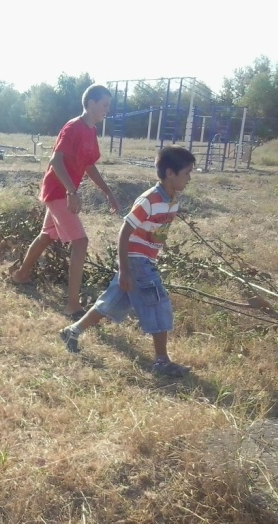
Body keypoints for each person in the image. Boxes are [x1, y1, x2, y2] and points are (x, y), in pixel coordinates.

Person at [59, 145, 196, 377]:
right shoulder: (149, 199)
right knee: (158, 303)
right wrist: (124, 269)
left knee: (110, 303)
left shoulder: (173, 200)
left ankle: (72, 330)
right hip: (136, 260)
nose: (189, 178)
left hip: (145, 260)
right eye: (186, 173)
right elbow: (125, 231)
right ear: (170, 173)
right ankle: (162, 361)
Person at [11, 84, 120, 320]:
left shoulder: (91, 131)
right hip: (57, 190)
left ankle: (21, 275)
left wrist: (107, 191)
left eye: (108, 106)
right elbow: (55, 161)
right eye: (104, 105)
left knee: (46, 235)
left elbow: (89, 165)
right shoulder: (73, 127)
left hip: (64, 191)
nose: (107, 110)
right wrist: (72, 191)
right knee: (80, 242)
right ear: (90, 104)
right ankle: (72, 305)